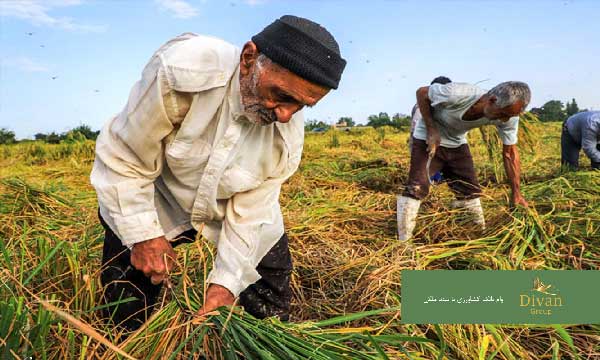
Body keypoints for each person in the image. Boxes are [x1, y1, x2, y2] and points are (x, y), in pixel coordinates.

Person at [91, 15, 346, 330]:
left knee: (269, 306)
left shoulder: (286, 139)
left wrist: (226, 283)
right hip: (159, 195)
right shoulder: (184, 70)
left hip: (229, 205)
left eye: (302, 106)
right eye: (282, 95)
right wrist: (143, 235)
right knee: (125, 301)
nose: (285, 114)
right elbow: (125, 155)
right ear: (248, 58)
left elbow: (252, 212)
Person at [397, 81, 531, 241]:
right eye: (503, 114)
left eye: (509, 116)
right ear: (492, 100)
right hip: (428, 137)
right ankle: (404, 243)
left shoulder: (509, 117)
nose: (504, 120)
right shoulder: (458, 93)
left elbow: (510, 153)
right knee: (417, 187)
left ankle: (477, 235)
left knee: (470, 190)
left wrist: (516, 193)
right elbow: (422, 93)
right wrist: (431, 129)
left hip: (457, 142)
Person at [409, 76, 452, 183]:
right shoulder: (422, 107)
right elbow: (417, 129)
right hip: (424, 143)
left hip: (436, 142)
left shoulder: (442, 106)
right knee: (425, 171)